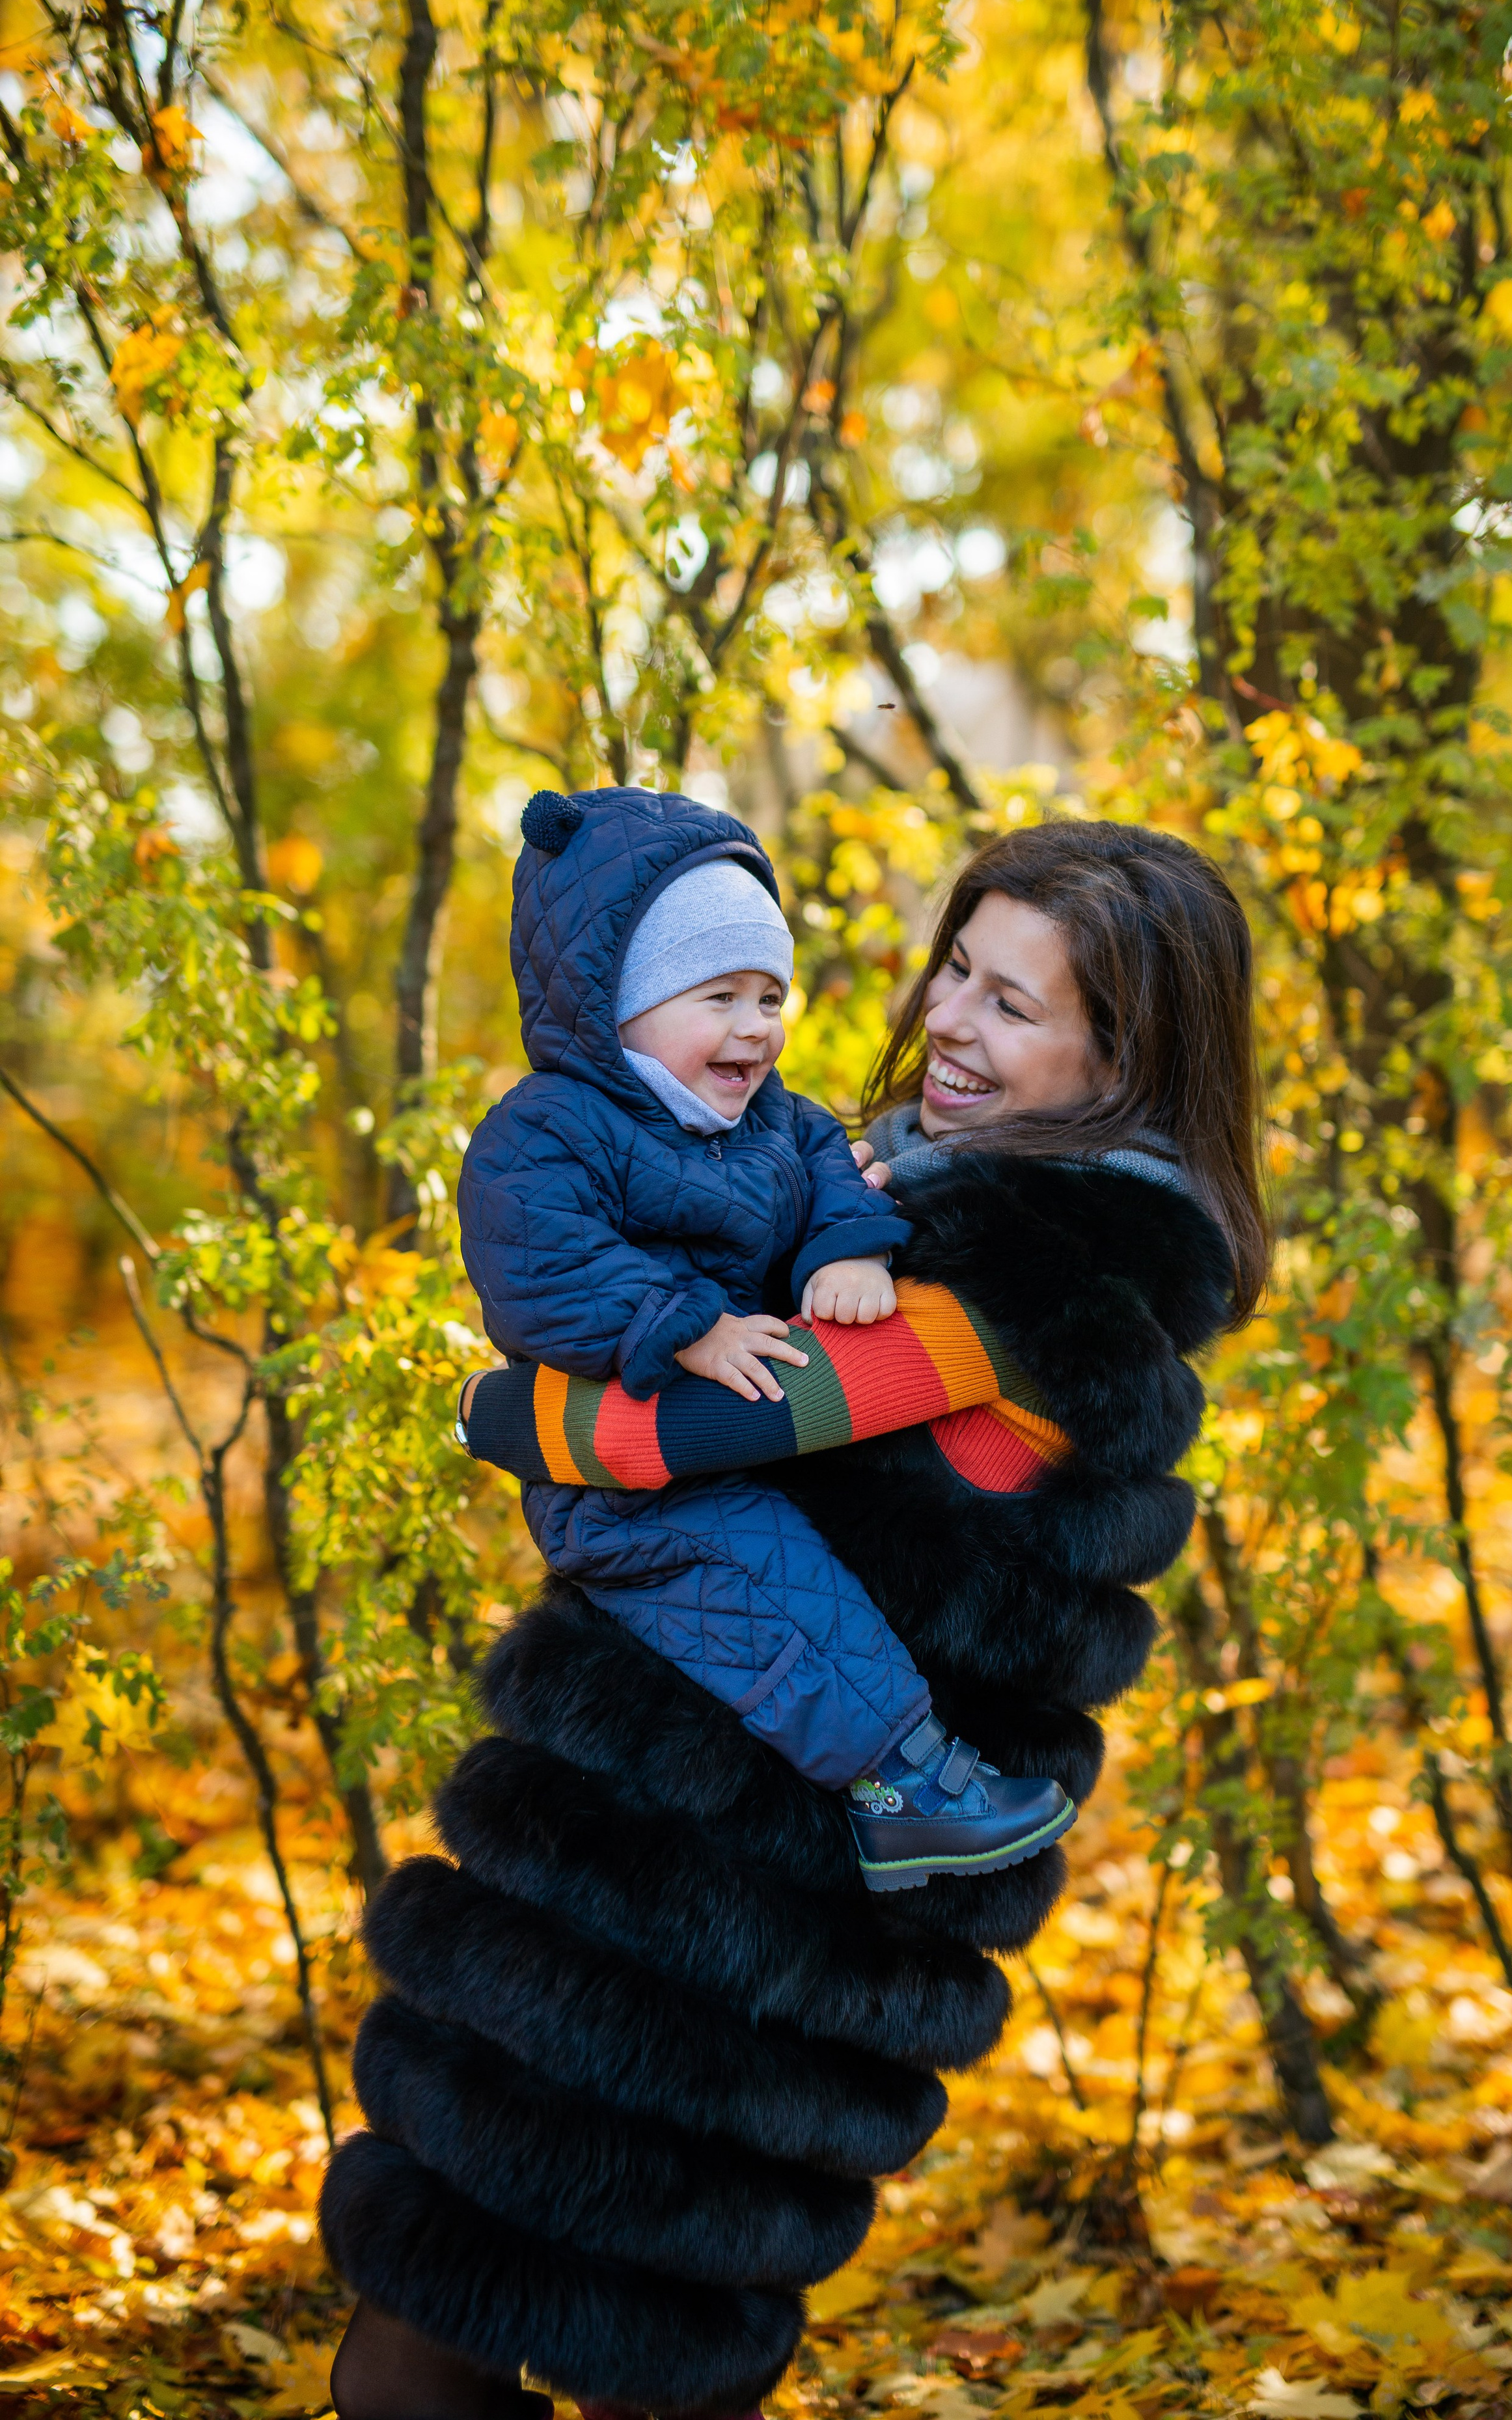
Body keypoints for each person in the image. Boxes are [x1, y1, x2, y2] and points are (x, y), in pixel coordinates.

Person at [324, 819, 1266, 2420]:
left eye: (1013, 1006)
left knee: (509, 2337)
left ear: (1124, 1060)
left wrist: (501, 1407)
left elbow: (658, 1437)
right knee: (509, 2307)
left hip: (737, 1908)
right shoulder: (880, 1189)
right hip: (684, 1873)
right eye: (956, 967)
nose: (952, 1021)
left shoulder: (1014, 1284)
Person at [453, 786, 1076, 1890]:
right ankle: (901, 1786)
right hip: (627, 1488)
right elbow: (538, 1262)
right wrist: (681, 1324)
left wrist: (849, 1249)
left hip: (697, 1449)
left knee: (794, 1583)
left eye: (769, 996)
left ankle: (913, 1778)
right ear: (618, 1008)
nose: (755, 1027)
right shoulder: (547, 1132)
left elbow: (834, 1173)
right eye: (719, 997)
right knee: (778, 1591)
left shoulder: (773, 1118)